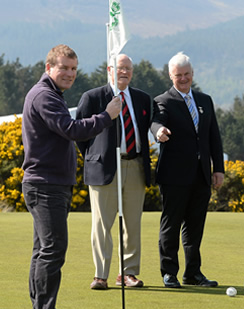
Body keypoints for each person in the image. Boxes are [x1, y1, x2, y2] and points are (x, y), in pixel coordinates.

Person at [21, 44, 120, 309]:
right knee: (51, 252)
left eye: (74, 69)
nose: (69, 73)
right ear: (49, 67)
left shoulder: (52, 94)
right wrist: (107, 116)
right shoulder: (44, 96)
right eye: (64, 67)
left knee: (45, 251)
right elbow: (71, 129)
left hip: (52, 184)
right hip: (45, 185)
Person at [75, 54, 152, 290]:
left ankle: (128, 273)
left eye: (128, 69)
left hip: (135, 164)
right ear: (110, 70)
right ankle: (101, 274)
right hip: (105, 167)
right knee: (102, 223)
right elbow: (80, 134)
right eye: (120, 68)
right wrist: (96, 156)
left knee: (132, 223)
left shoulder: (142, 99)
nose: (124, 72)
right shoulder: (93, 97)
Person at [151, 52, 225, 288]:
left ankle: (193, 273)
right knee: (171, 225)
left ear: (192, 74)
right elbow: (156, 121)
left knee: (195, 228)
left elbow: (214, 137)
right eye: (178, 75)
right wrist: (159, 131)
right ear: (170, 76)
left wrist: (218, 168)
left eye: (186, 74)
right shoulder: (163, 100)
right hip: (174, 175)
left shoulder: (205, 100)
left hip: (201, 174)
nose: (182, 79)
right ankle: (169, 273)